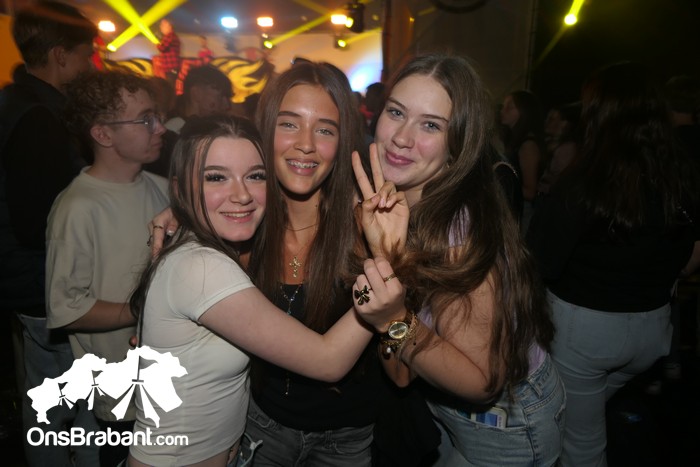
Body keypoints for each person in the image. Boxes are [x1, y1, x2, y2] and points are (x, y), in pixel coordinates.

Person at [147, 61, 413, 467]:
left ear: (343, 142)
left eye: (325, 130)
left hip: (345, 441)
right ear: (265, 131)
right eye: (289, 124)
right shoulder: (239, 227)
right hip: (258, 429)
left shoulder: (372, 229)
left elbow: (401, 376)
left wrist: (386, 268)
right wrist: (185, 211)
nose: (305, 144)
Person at [350, 53, 565, 466]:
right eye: (396, 112)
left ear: (458, 143)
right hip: (445, 403)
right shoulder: (395, 208)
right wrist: (384, 256)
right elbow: (401, 371)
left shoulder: (457, 231)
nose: (402, 137)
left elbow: (483, 382)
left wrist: (392, 318)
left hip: (505, 421)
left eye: (431, 125)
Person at [526, 62, 700, 466]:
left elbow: (541, 261)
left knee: (581, 446)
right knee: (573, 415)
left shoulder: (585, 181)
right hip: (653, 330)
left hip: (586, 334)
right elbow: (685, 253)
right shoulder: (678, 178)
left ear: (599, 113)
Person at [46, 70, 169, 466]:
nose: (160, 127)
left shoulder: (162, 188)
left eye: (157, 116)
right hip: (123, 392)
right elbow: (66, 309)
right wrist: (140, 310)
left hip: (168, 376)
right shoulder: (78, 208)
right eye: (146, 119)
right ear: (103, 134)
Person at [0, 2, 99, 465]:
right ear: (61, 56)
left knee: (48, 392)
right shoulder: (38, 117)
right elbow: (36, 219)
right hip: (42, 280)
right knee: (57, 399)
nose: (90, 65)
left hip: (28, 276)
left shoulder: (18, 102)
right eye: (85, 55)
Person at [500, 89, 545, 231]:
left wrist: (498, 184)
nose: (503, 110)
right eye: (503, 106)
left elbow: (530, 191)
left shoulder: (528, 145)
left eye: (510, 107)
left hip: (522, 212)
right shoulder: (514, 140)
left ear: (524, 111)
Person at [155, 19, 181, 87]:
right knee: (171, 86)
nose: (161, 27)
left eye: (163, 25)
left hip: (170, 67)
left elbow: (162, 48)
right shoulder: (172, 36)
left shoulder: (169, 36)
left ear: (170, 26)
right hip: (172, 67)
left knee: (170, 86)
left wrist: (157, 44)